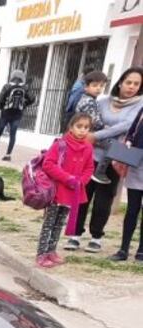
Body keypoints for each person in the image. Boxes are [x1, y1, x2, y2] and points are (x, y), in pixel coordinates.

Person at [64, 66, 143, 253]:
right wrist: (94, 135)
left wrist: (96, 136)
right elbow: (89, 122)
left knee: (103, 200)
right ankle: (75, 234)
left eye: (136, 84)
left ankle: (96, 236)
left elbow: (127, 125)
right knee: (82, 195)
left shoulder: (139, 106)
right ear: (120, 82)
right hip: (90, 156)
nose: (131, 87)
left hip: (114, 158)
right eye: (128, 82)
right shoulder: (102, 100)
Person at [36, 113, 95, 268]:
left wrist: (81, 181)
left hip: (73, 193)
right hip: (57, 191)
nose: (82, 130)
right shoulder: (60, 144)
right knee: (49, 223)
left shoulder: (88, 147)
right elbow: (48, 164)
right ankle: (41, 254)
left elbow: (89, 167)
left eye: (86, 128)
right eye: (79, 126)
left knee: (59, 223)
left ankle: (51, 251)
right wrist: (67, 178)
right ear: (71, 127)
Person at [111, 105, 143, 262]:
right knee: (132, 209)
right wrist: (129, 141)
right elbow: (131, 132)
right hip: (137, 163)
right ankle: (123, 249)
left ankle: (141, 251)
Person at [70, 71, 111, 184]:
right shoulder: (89, 101)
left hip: (86, 133)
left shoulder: (89, 99)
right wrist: (105, 127)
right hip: (88, 134)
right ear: (86, 87)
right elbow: (93, 120)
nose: (98, 88)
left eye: (101, 86)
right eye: (94, 85)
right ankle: (99, 172)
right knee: (112, 146)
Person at [0, 69, 35, 162]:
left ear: (12, 77)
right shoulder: (25, 88)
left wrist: (3, 108)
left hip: (5, 114)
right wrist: (24, 105)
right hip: (17, 114)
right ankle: (8, 155)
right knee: (13, 134)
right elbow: (32, 99)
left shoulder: (7, 86)